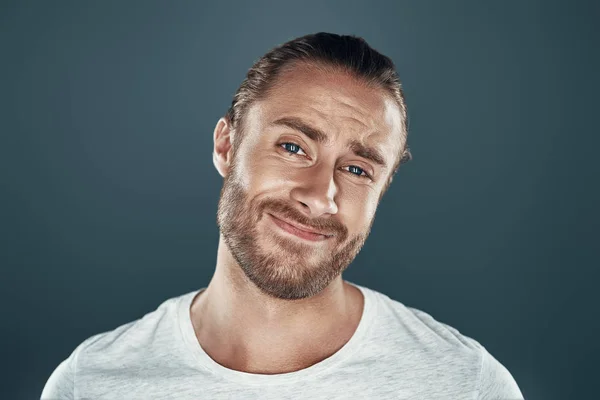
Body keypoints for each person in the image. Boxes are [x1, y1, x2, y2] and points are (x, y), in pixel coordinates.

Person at [41, 32, 523, 400]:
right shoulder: (91, 383)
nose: (320, 196)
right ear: (227, 146)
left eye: (357, 169)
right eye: (293, 147)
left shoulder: (465, 385)